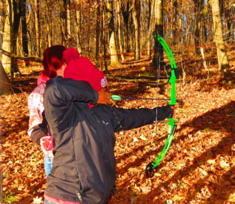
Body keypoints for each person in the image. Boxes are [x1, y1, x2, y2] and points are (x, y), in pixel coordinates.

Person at [43, 48, 174, 204]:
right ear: (88, 87)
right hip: (67, 196)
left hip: (95, 198)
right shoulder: (65, 114)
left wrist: (167, 112)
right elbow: (55, 88)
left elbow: (134, 117)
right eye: (100, 87)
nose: (105, 91)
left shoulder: (104, 113)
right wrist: (95, 96)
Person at [27, 45, 66, 176]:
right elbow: (34, 127)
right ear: (53, 66)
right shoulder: (40, 94)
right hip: (56, 158)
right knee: (57, 195)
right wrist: (44, 139)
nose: (66, 67)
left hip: (80, 156)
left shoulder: (77, 87)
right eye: (62, 64)